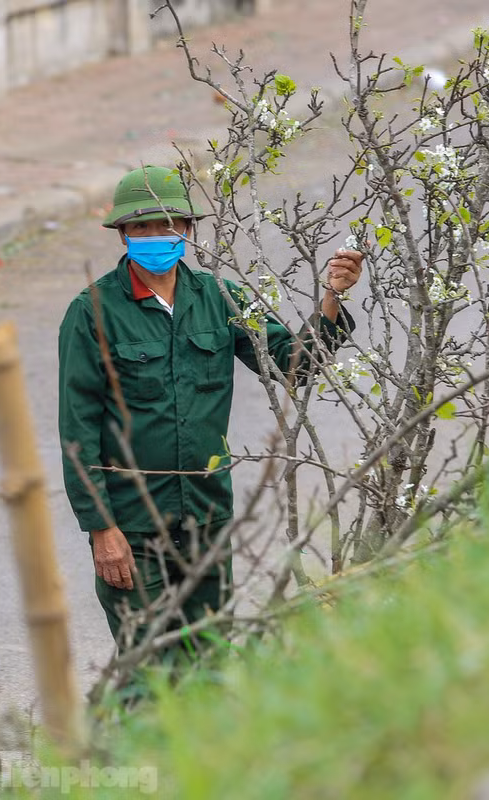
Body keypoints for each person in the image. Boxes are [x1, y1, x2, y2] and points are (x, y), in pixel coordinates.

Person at [58, 165, 364, 661]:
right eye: (141, 227)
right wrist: (101, 529)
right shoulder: (92, 311)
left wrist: (332, 296)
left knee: (209, 662)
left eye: (169, 224)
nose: (156, 236)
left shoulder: (222, 298)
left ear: (189, 230)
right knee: (147, 668)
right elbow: (77, 428)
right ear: (122, 234)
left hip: (205, 516)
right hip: (133, 526)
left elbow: (293, 364)